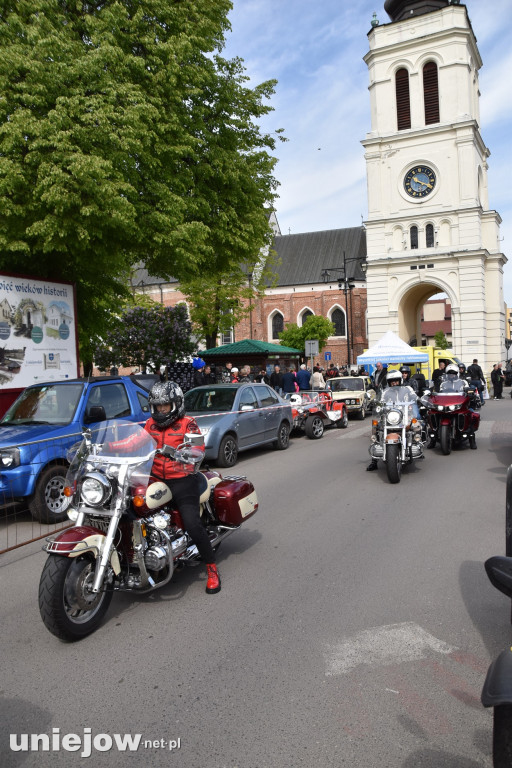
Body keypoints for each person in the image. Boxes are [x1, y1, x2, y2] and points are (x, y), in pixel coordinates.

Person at [111, 381, 221, 594]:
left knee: (192, 523)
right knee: (129, 508)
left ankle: (212, 568)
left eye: (165, 406)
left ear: (176, 404)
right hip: (154, 477)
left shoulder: (188, 423)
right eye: (158, 406)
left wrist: (185, 453)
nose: (161, 410)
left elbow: (197, 447)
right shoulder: (150, 424)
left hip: (182, 478)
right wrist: (107, 446)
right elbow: (134, 442)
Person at [367, 369, 420, 471]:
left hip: (405, 415)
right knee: (376, 427)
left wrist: (418, 399)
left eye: (396, 380)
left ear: (400, 380)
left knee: (417, 425)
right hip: (390, 417)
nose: (394, 383)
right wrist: (375, 403)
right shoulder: (385, 391)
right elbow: (380, 401)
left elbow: (414, 396)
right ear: (388, 382)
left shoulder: (407, 388)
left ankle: (416, 443)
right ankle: (374, 460)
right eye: (392, 381)